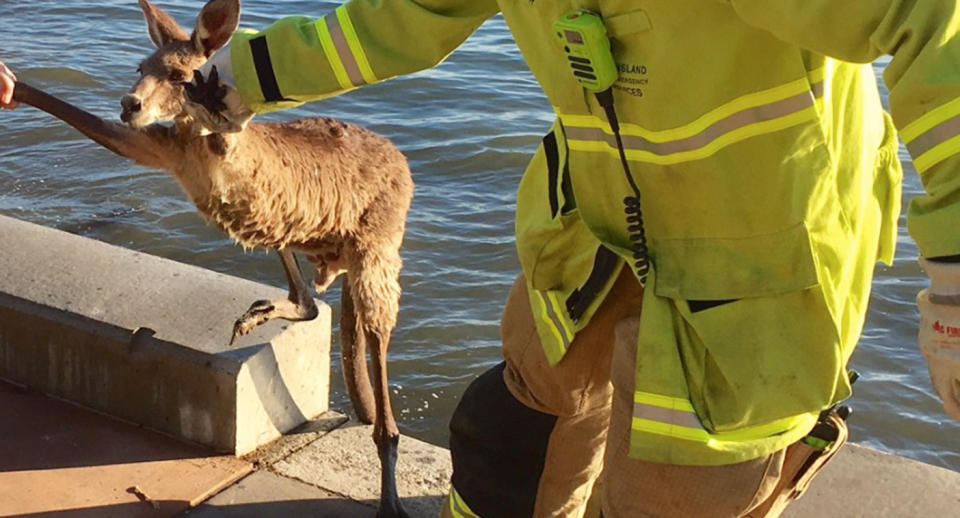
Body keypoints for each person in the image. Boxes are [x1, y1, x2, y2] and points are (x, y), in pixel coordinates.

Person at [3, 1, 960, 516]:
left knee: (675, 499)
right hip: (595, 239)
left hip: (756, 277)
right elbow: (395, 19)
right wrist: (230, 80)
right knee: (503, 441)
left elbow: (935, 23)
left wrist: (954, 274)